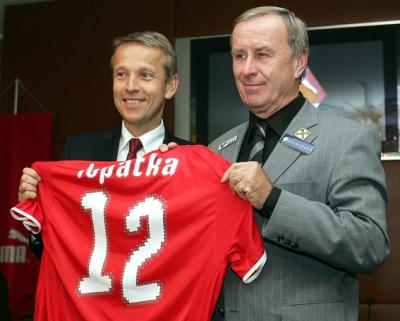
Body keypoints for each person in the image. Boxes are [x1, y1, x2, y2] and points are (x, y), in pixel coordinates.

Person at [207, 6, 390, 321]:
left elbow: (369, 245)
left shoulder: (348, 138)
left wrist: (273, 201)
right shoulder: (217, 149)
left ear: (299, 61)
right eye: (239, 56)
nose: (246, 69)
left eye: (262, 54)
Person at [18, 31, 191, 258]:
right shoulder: (77, 153)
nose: (130, 86)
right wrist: (36, 214)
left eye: (145, 75)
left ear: (170, 85)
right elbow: (52, 253)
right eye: (121, 74)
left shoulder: (190, 161)